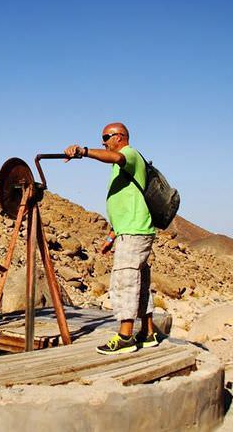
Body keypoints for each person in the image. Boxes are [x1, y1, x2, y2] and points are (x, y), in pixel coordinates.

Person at [64, 123, 158, 355]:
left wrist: (83, 152)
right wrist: (112, 234)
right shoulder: (124, 164)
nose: (103, 142)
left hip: (135, 232)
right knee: (140, 282)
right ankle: (148, 333)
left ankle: (125, 337)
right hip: (131, 230)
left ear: (120, 137)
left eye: (106, 137)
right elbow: (128, 204)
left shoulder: (129, 154)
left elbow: (114, 156)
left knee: (125, 279)